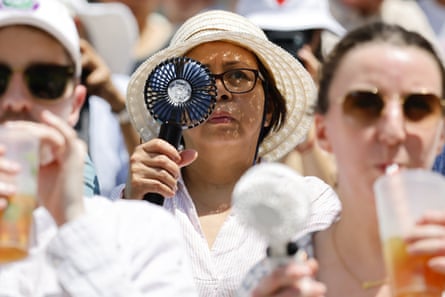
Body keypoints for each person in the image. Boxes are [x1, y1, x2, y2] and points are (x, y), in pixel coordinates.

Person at [117, 9, 342, 297]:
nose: (220, 92)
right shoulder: (128, 203)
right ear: (174, 104)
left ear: (269, 109)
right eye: (199, 81)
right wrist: (132, 213)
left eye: (238, 76)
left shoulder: (310, 203)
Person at [0, 1, 198, 296]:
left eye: (45, 81)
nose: (15, 101)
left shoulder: (142, 232)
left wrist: (73, 224)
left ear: (75, 104)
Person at [251, 22, 445, 297]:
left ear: (441, 136)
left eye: (419, 107)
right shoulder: (275, 281)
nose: (393, 131)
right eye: (364, 104)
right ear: (322, 131)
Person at [235, 0, 344, 188]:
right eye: (269, 38)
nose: (283, 52)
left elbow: (334, 198)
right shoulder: (221, 97)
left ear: (318, 35)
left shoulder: (345, 98)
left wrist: (309, 105)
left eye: (299, 36)